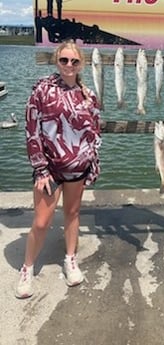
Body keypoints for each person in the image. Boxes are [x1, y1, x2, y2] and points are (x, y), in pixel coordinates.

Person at [15, 40, 101, 298]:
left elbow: (94, 133)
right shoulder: (42, 89)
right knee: (42, 222)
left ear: (81, 64)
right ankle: (27, 268)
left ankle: (71, 258)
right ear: (57, 61)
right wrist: (40, 168)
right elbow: (32, 130)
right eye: (64, 60)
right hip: (50, 169)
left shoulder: (88, 95)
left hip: (79, 167)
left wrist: (94, 162)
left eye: (74, 61)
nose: (69, 65)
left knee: (73, 213)